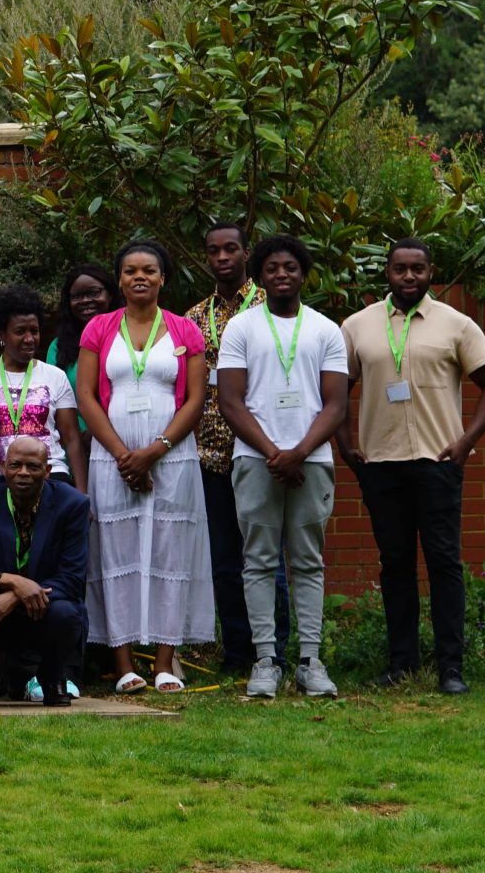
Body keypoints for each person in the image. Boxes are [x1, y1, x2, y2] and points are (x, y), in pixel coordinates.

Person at [340, 238, 485, 695]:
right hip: (381, 463)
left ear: (430, 272)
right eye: (400, 269)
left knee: (444, 562)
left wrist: (466, 441)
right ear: (386, 272)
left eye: (417, 269)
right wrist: (345, 447)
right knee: (395, 564)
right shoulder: (357, 326)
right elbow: (336, 391)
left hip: (437, 461)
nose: (409, 277)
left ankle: (451, 668)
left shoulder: (457, 324)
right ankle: (401, 663)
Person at [70, 240, 213, 695]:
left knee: (170, 552)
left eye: (149, 270)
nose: (139, 277)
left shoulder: (185, 329)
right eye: (130, 270)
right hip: (111, 457)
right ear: (119, 279)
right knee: (116, 552)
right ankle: (124, 663)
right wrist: (123, 457)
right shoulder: (98, 327)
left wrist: (154, 450)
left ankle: (166, 662)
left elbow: (196, 399)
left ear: (162, 278)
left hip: (172, 455)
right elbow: (86, 396)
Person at [212, 235, 349, 699]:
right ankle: (266, 661)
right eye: (272, 268)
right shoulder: (241, 328)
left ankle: (311, 661)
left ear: (303, 273)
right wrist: (274, 452)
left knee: (308, 561)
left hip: (312, 461)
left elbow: (336, 404)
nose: (281, 274)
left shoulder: (325, 329)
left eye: (290, 267)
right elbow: (230, 401)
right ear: (260, 276)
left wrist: (299, 452)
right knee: (258, 562)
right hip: (256, 460)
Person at [0, 436, 90, 708]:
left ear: (47, 471)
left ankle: (52, 678)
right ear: (2, 467)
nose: (23, 473)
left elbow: (72, 579)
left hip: (44, 607)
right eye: (15, 465)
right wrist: (7, 581)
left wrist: (15, 595)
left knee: (68, 612)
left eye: (33, 467)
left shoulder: (72, 504)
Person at [186, 219, 262, 680]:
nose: (222, 258)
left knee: (265, 559)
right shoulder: (194, 318)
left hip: (259, 452)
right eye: (213, 251)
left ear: (246, 253)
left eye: (230, 249)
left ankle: (271, 650)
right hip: (210, 455)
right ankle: (237, 652)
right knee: (225, 561)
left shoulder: (269, 309)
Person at [0, 285, 73, 474]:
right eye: (20, 331)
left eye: (34, 331)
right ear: (0, 334)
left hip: (49, 473)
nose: (29, 339)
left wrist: (80, 488)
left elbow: (71, 438)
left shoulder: (55, 376)